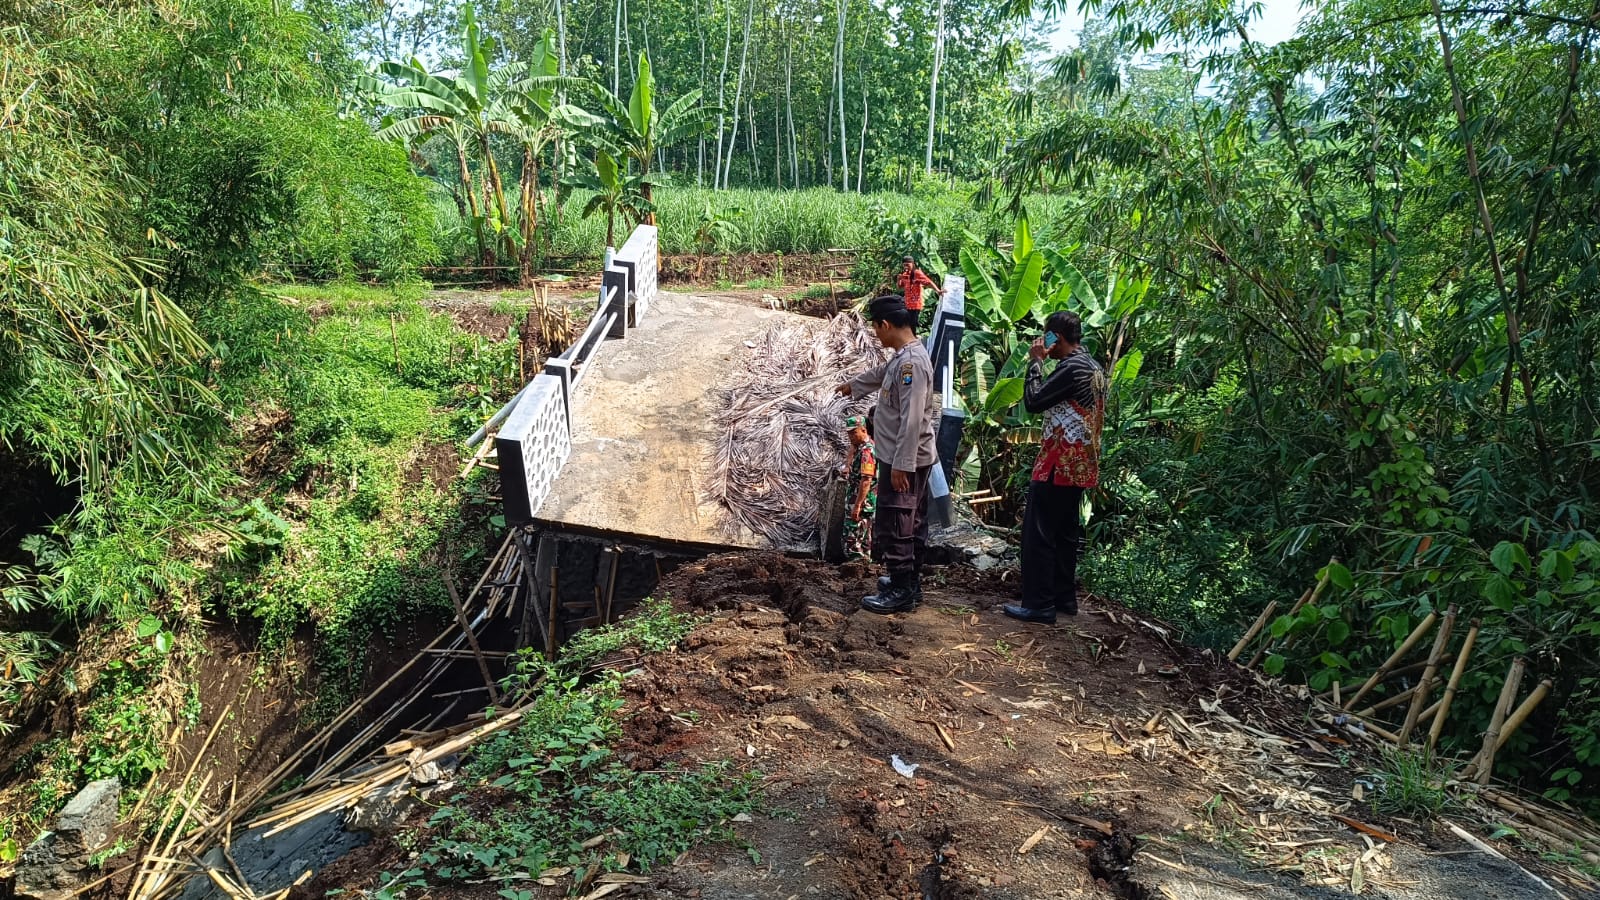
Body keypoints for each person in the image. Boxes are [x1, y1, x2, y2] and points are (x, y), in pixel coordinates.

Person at [835, 295, 937, 613]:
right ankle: (907, 582)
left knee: (898, 521)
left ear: (885, 325)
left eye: (875, 328)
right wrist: (855, 385)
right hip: (900, 454)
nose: (876, 335)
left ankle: (902, 589)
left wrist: (901, 466)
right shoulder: (904, 357)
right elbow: (883, 373)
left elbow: (912, 418)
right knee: (910, 520)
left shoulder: (912, 365)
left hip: (903, 457)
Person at [1003, 310, 1106, 624]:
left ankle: (1039, 604)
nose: (1045, 343)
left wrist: (1035, 361)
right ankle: (1064, 599)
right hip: (1081, 465)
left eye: (1048, 337)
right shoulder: (1094, 366)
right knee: (1065, 535)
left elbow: (1034, 402)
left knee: (1040, 535)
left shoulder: (1071, 367)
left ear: (1056, 337)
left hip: (1057, 463)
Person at [841, 415, 878, 561]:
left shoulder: (867, 452)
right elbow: (852, 447)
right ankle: (862, 567)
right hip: (856, 497)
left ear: (863, 430)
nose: (851, 437)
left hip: (863, 500)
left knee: (854, 537)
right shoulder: (859, 445)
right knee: (863, 536)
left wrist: (857, 506)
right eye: (848, 433)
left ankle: (856, 567)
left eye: (853, 433)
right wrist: (848, 466)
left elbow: (866, 480)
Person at [895, 256, 942, 330]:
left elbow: (928, 282)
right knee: (907, 323)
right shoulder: (905, 274)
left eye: (908, 265)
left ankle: (912, 339)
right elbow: (899, 287)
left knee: (912, 324)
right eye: (904, 265)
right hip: (907, 304)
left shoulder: (917, 273)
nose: (906, 267)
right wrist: (898, 280)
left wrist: (938, 290)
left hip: (915, 304)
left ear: (913, 264)